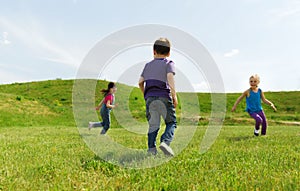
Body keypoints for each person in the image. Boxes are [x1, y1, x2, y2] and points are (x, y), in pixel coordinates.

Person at [138, 37, 178, 156]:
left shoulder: (148, 65)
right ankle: (165, 142)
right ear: (169, 53)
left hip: (150, 98)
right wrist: (174, 95)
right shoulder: (169, 63)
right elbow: (170, 77)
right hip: (164, 97)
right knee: (171, 122)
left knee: (153, 124)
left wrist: (145, 94)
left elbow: (140, 82)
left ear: (154, 51)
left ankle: (151, 149)